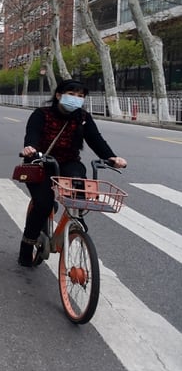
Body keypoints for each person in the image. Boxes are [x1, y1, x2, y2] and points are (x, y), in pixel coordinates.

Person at [18, 79, 127, 267]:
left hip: (68, 162)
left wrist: (112, 158)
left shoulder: (83, 117)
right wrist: (30, 148)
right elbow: (32, 135)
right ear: (59, 95)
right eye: (72, 94)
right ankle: (26, 248)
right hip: (40, 162)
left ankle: (76, 219)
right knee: (43, 204)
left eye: (80, 96)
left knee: (79, 182)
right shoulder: (41, 114)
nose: (76, 99)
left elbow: (96, 140)